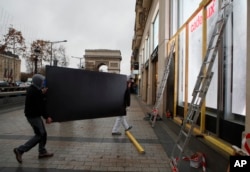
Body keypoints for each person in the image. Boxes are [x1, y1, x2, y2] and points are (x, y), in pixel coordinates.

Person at [13, 74, 53, 163]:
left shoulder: (33, 89)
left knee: (43, 134)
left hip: (33, 115)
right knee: (40, 135)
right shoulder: (35, 92)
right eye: (42, 81)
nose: (43, 83)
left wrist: (42, 93)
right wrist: (47, 117)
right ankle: (20, 150)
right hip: (33, 116)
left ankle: (42, 151)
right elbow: (41, 106)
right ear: (38, 82)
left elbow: (39, 100)